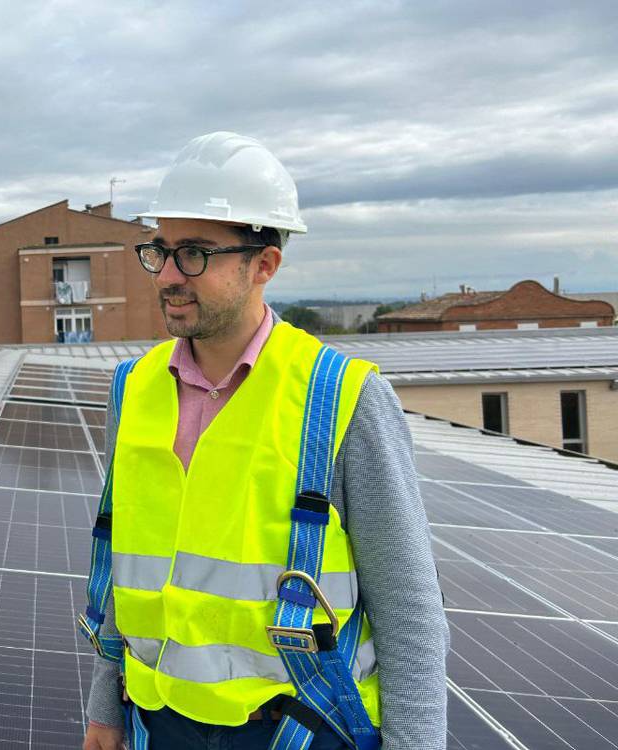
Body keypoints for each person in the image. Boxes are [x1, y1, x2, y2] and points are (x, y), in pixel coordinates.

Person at [80, 132, 448, 750]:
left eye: (194, 253)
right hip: (155, 726)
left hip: (294, 732)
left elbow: (410, 610)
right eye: (161, 250)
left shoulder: (342, 398)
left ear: (265, 265)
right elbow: (125, 565)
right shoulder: (133, 388)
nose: (168, 274)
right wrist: (104, 710)